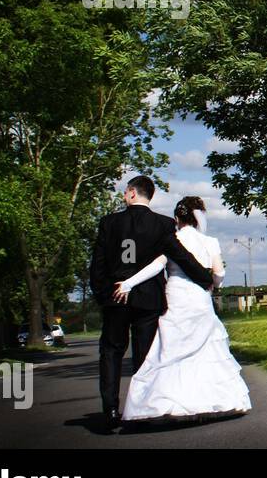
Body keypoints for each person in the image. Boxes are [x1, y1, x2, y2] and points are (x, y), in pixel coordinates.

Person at [89, 176, 214, 430]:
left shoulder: (109, 223)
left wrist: (104, 296)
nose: (124, 195)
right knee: (144, 354)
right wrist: (205, 277)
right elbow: (181, 256)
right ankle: (142, 407)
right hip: (148, 299)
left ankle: (111, 409)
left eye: (125, 192)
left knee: (111, 352)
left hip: (116, 298)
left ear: (133, 193)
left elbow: (98, 266)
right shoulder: (163, 224)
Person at [115, 196, 251, 423]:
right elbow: (219, 274)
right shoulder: (210, 242)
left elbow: (155, 267)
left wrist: (128, 284)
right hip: (200, 300)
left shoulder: (172, 239)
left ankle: (171, 403)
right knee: (205, 349)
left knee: (171, 349)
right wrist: (215, 284)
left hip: (176, 296)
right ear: (199, 218)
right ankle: (212, 401)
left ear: (177, 218)